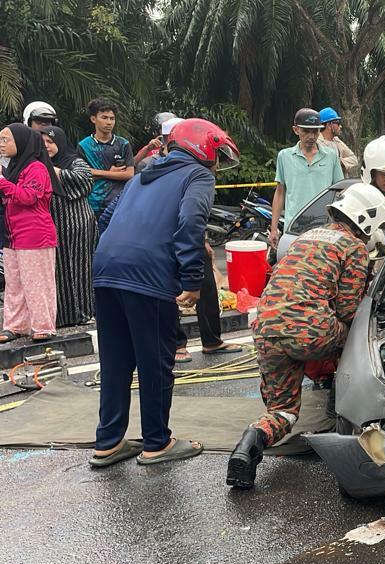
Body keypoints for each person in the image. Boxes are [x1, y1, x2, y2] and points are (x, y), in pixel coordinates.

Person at [89, 118, 240, 467]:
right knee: (156, 360)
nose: (217, 164)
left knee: (115, 360)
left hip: (107, 268)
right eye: (216, 155)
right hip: (148, 275)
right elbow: (191, 223)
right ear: (203, 149)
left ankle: (107, 442)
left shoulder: (144, 172)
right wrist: (191, 280)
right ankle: (157, 442)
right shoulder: (198, 176)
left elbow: (107, 217)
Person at [226, 183, 385, 489]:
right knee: (356, 333)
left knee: (283, 411)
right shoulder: (353, 248)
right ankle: (343, 402)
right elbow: (347, 309)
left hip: (265, 328)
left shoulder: (305, 238)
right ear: (366, 220)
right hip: (309, 332)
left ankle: (248, 446)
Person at [0, 123, 60, 343]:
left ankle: (43, 325)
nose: (1, 145)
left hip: (35, 234)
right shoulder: (10, 168)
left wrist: (2, 183)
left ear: (21, 142)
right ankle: (15, 326)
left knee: (37, 282)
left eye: (6, 140)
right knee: (14, 283)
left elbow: (28, 197)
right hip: (11, 234)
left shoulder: (36, 168)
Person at [40, 126, 96, 327]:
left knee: (80, 268)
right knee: (58, 271)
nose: (46, 146)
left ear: (60, 142)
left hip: (77, 224)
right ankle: (62, 316)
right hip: (52, 225)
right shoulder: (36, 164)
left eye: (50, 141)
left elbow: (85, 182)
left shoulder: (74, 161)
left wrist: (56, 172)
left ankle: (84, 312)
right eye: (42, 142)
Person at [268, 108, 344, 248]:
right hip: (294, 227)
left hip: (324, 228)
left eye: (315, 131)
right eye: (306, 131)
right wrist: (273, 229)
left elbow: (340, 192)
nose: (311, 136)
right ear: (296, 130)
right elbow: (280, 193)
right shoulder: (284, 156)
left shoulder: (331, 155)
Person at [78, 98, 134, 221]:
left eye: (112, 118)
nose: (109, 122)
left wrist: (96, 172)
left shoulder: (123, 144)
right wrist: (113, 173)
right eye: (104, 117)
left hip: (120, 202)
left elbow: (130, 174)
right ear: (93, 119)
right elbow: (82, 174)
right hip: (93, 204)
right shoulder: (84, 145)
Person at [318, 107, 359, 177]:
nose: (340, 126)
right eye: (337, 123)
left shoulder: (337, 141)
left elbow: (354, 159)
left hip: (340, 184)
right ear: (329, 125)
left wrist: (340, 162)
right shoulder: (316, 143)